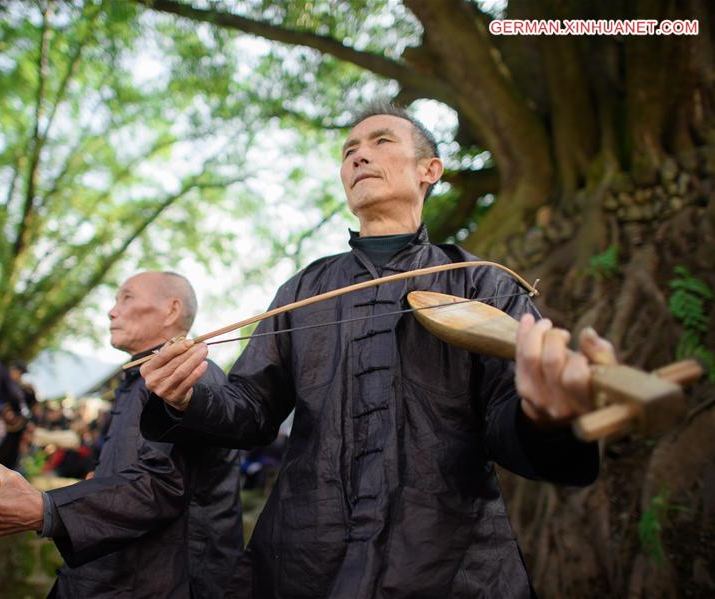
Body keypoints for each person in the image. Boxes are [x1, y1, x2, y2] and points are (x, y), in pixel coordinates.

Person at [139, 102, 615, 597]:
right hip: (305, 554)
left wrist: (545, 416)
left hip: (451, 558)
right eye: (349, 151)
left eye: (381, 142)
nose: (359, 157)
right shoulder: (305, 289)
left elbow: (507, 419)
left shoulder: (482, 283)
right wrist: (189, 392)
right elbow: (251, 409)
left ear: (429, 170)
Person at [0, 271, 243, 599]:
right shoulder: (139, 379)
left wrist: (46, 509)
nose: (112, 311)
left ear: (171, 310)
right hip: (116, 572)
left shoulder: (190, 380)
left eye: (127, 297)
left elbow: (160, 485)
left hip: (164, 581)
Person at [0, 360, 36, 469]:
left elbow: (29, 406)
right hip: (1, 422)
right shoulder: (4, 385)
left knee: (12, 452)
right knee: (1, 449)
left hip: (18, 425)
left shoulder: (24, 389)